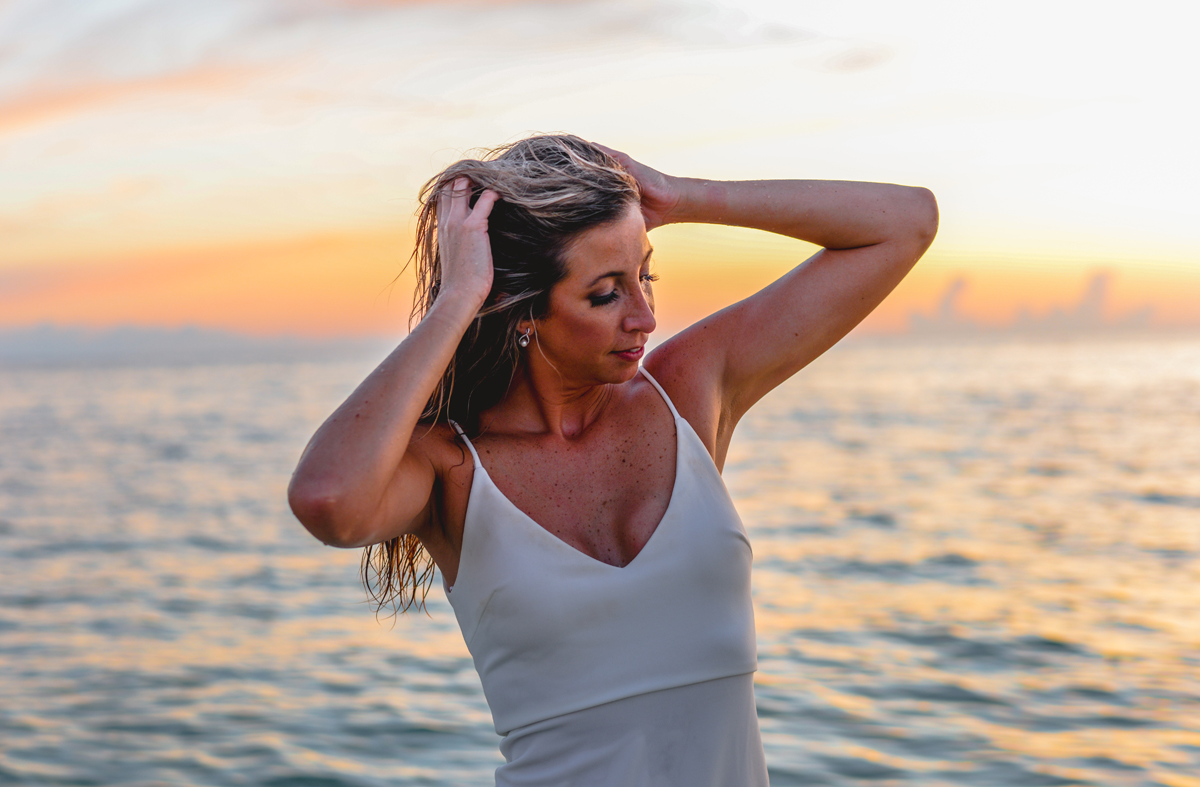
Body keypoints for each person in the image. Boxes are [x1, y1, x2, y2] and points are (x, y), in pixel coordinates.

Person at [288, 134, 937, 786]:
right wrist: (459, 298)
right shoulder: (453, 466)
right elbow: (328, 502)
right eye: (606, 293)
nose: (646, 316)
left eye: (645, 275)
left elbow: (906, 223)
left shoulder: (687, 390)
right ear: (523, 313)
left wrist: (683, 196)